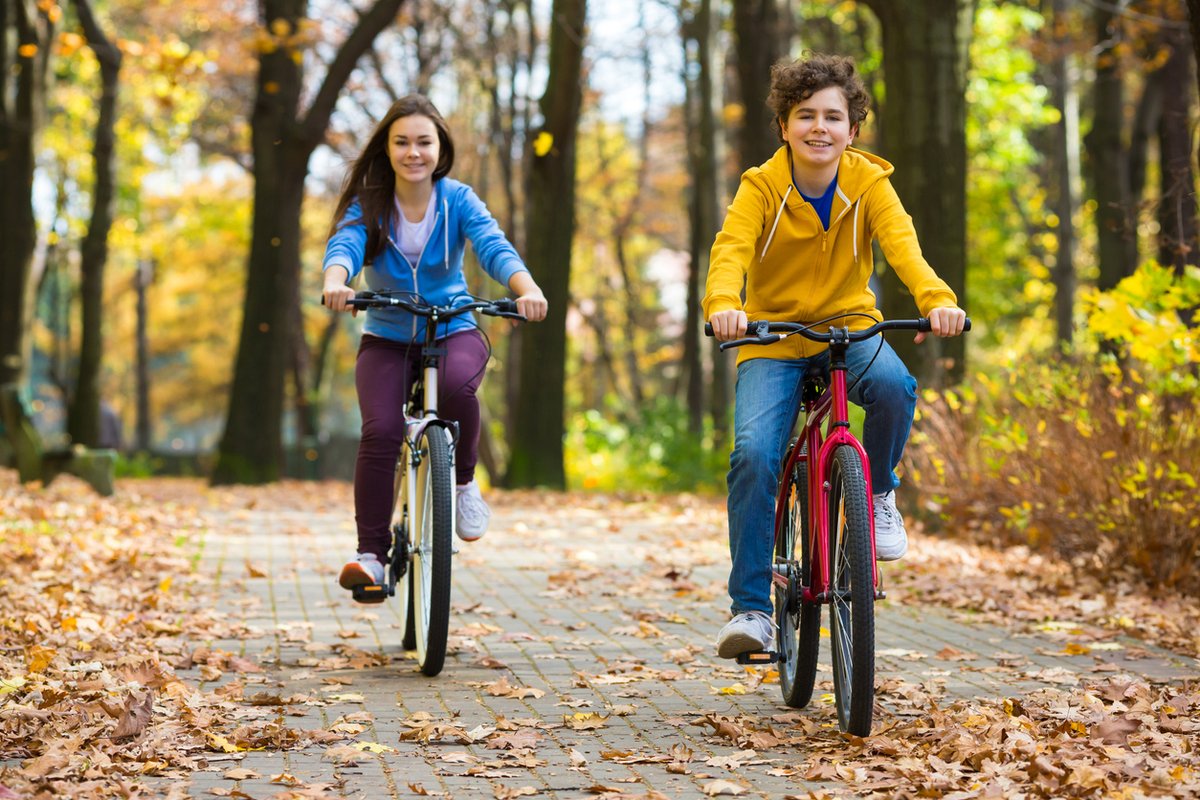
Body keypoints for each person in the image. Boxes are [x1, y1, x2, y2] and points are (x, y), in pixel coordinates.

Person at [704, 54, 967, 658]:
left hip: (850, 329)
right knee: (753, 455)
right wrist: (724, 302)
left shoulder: (869, 184)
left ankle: (876, 495)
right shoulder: (761, 186)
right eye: (805, 116)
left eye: (833, 116)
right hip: (774, 338)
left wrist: (938, 301)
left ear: (853, 128)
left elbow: (905, 249)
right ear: (784, 125)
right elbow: (731, 250)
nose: (819, 128)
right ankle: (751, 609)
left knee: (896, 387)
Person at [322, 94, 548, 600]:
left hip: (452, 325)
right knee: (380, 431)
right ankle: (371, 558)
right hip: (386, 334)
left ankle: (463, 483)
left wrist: (526, 289)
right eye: (401, 142)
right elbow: (345, 246)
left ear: (439, 146)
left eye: (423, 141)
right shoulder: (370, 203)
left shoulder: (459, 199)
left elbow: (493, 245)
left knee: (457, 388)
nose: (413, 152)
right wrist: (337, 280)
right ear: (387, 147)